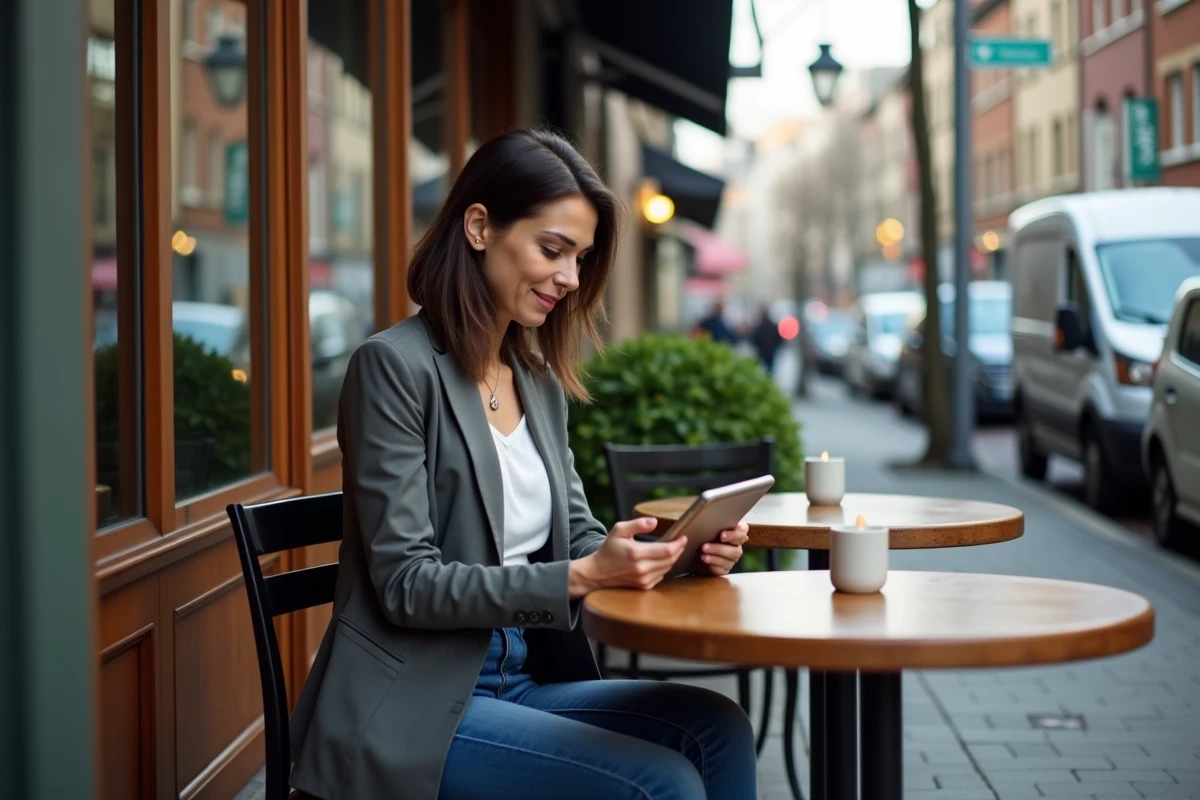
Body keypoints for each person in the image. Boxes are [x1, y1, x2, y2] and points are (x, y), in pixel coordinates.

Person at [287, 129, 757, 800]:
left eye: (580, 258)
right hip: (417, 702)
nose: (570, 278)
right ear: (479, 227)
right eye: (553, 249)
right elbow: (405, 583)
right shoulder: (392, 368)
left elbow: (578, 535)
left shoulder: (534, 378)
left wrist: (674, 551)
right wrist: (579, 577)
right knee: (661, 783)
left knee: (719, 726)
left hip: (522, 677)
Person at [749, 306, 783, 375]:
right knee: (770, 368)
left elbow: (753, 338)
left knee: (762, 368)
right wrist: (775, 346)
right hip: (771, 350)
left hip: (762, 351)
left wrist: (758, 347)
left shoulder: (759, 326)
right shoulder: (773, 326)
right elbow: (780, 339)